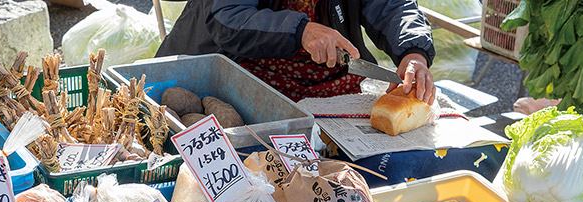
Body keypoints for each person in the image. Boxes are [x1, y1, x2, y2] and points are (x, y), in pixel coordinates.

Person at [156, 0, 436, 103]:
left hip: (331, 89)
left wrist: (414, 53)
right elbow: (226, 17)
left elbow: (393, 6)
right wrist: (300, 31)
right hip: (245, 86)